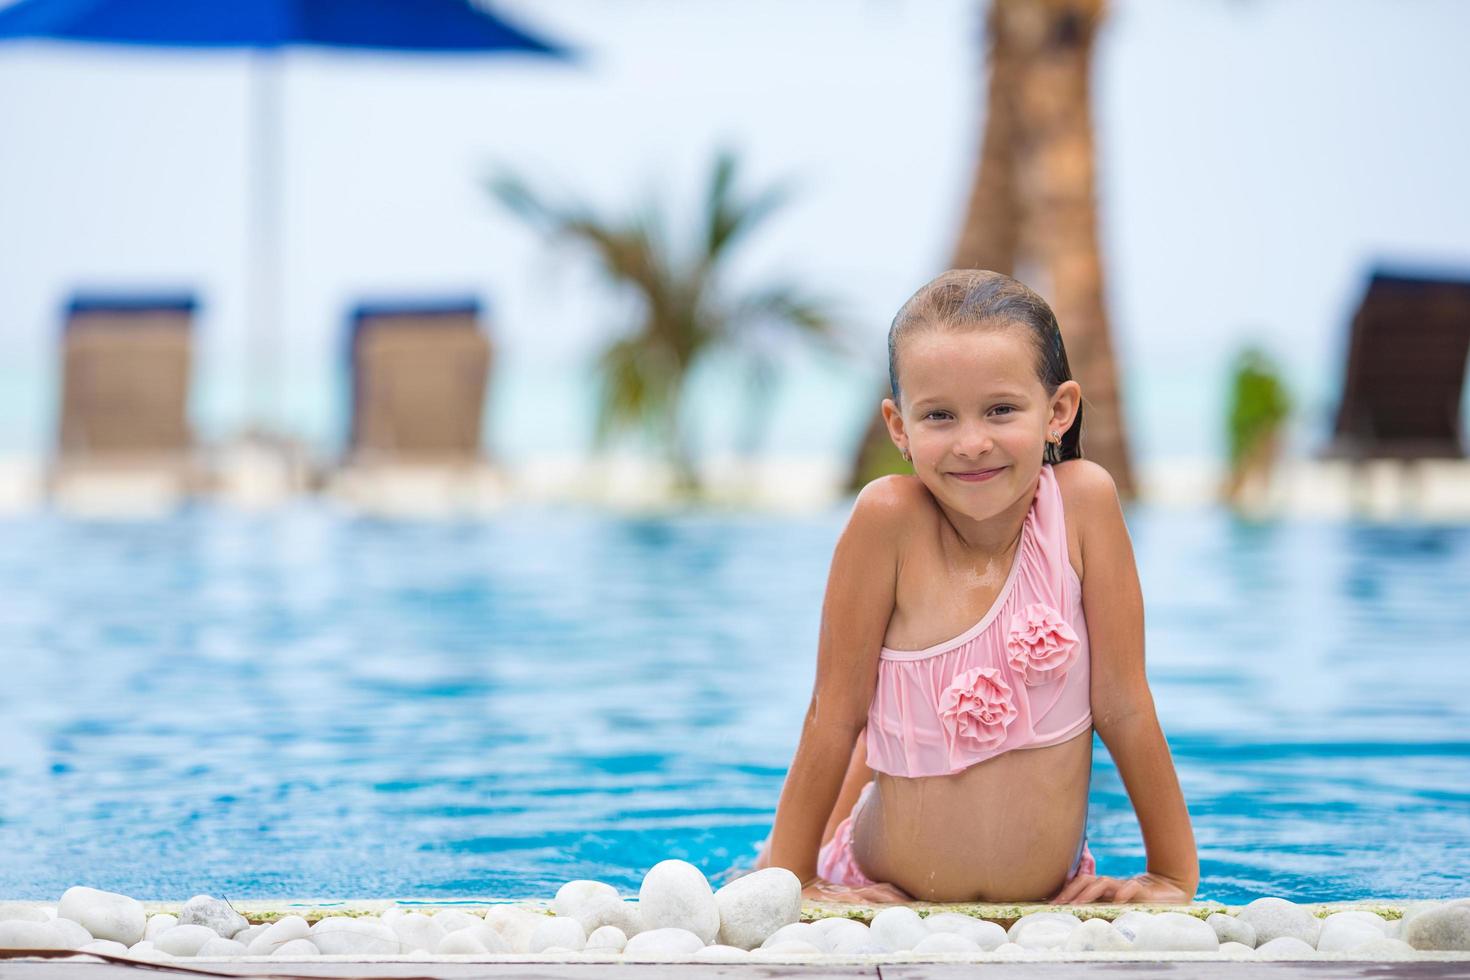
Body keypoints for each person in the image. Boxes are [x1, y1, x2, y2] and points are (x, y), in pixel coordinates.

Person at [755, 269, 1198, 905]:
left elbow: (1124, 703)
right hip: (884, 889)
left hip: (1050, 897)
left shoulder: (1082, 507)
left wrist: (1172, 874)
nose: (972, 442)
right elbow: (835, 714)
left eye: (1001, 409)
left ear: (1059, 411)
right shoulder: (888, 522)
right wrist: (796, 881)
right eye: (938, 415)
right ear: (899, 427)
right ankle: (772, 858)